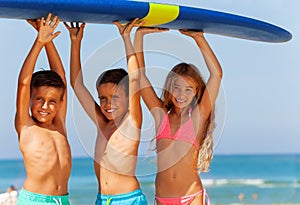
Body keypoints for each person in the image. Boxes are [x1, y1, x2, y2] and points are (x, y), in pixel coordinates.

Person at [134, 27, 223, 205]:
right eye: (176, 88)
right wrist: (139, 35)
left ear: (196, 92)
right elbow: (140, 76)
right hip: (163, 199)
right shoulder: (161, 116)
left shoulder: (198, 116)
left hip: (192, 197)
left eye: (188, 89)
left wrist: (199, 38)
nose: (181, 94)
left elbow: (216, 74)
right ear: (169, 88)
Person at [64, 18, 147, 205]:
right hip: (102, 200)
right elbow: (77, 85)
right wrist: (75, 43)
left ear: (128, 98)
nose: (109, 104)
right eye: (103, 98)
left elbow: (134, 80)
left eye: (115, 97)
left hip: (128, 199)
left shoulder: (132, 122)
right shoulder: (102, 124)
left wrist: (126, 37)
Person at [15, 13, 71, 205]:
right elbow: (23, 83)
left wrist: (47, 39)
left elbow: (61, 78)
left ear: (61, 103)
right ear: (30, 98)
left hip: (63, 200)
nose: (45, 106)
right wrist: (39, 43)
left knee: (59, 84)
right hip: (36, 200)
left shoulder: (59, 124)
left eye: (52, 101)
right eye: (39, 99)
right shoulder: (26, 125)